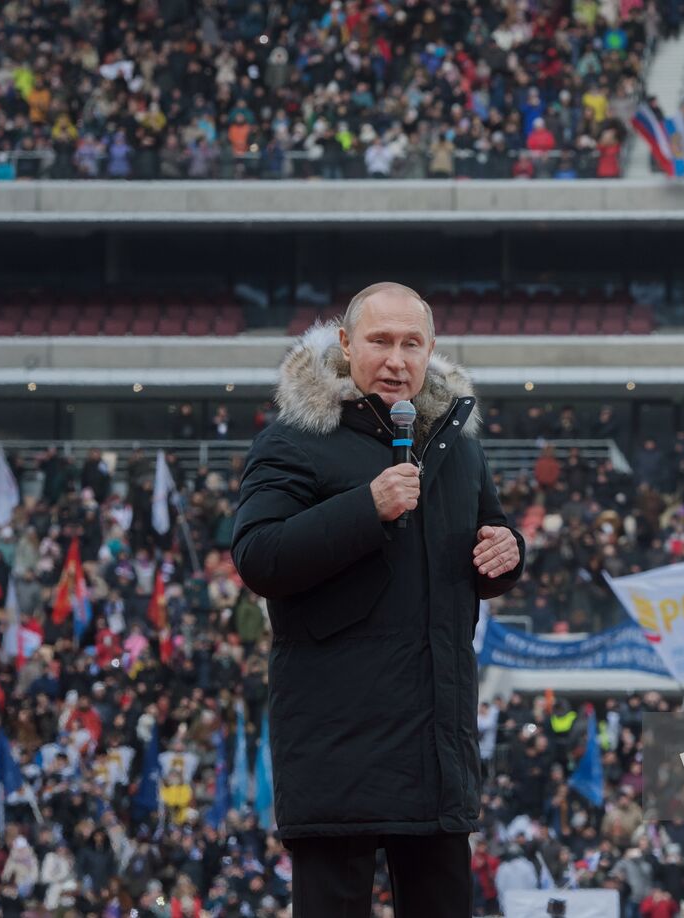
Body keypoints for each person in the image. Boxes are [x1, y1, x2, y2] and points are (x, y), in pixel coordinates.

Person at [232, 282, 526, 916]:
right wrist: (366, 507)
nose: (397, 359)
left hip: (437, 756)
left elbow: (489, 538)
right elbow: (258, 556)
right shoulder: (294, 439)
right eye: (380, 341)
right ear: (344, 344)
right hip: (340, 756)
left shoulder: (458, 446)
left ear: (431, 351)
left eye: (411, 344)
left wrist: (507, 555)